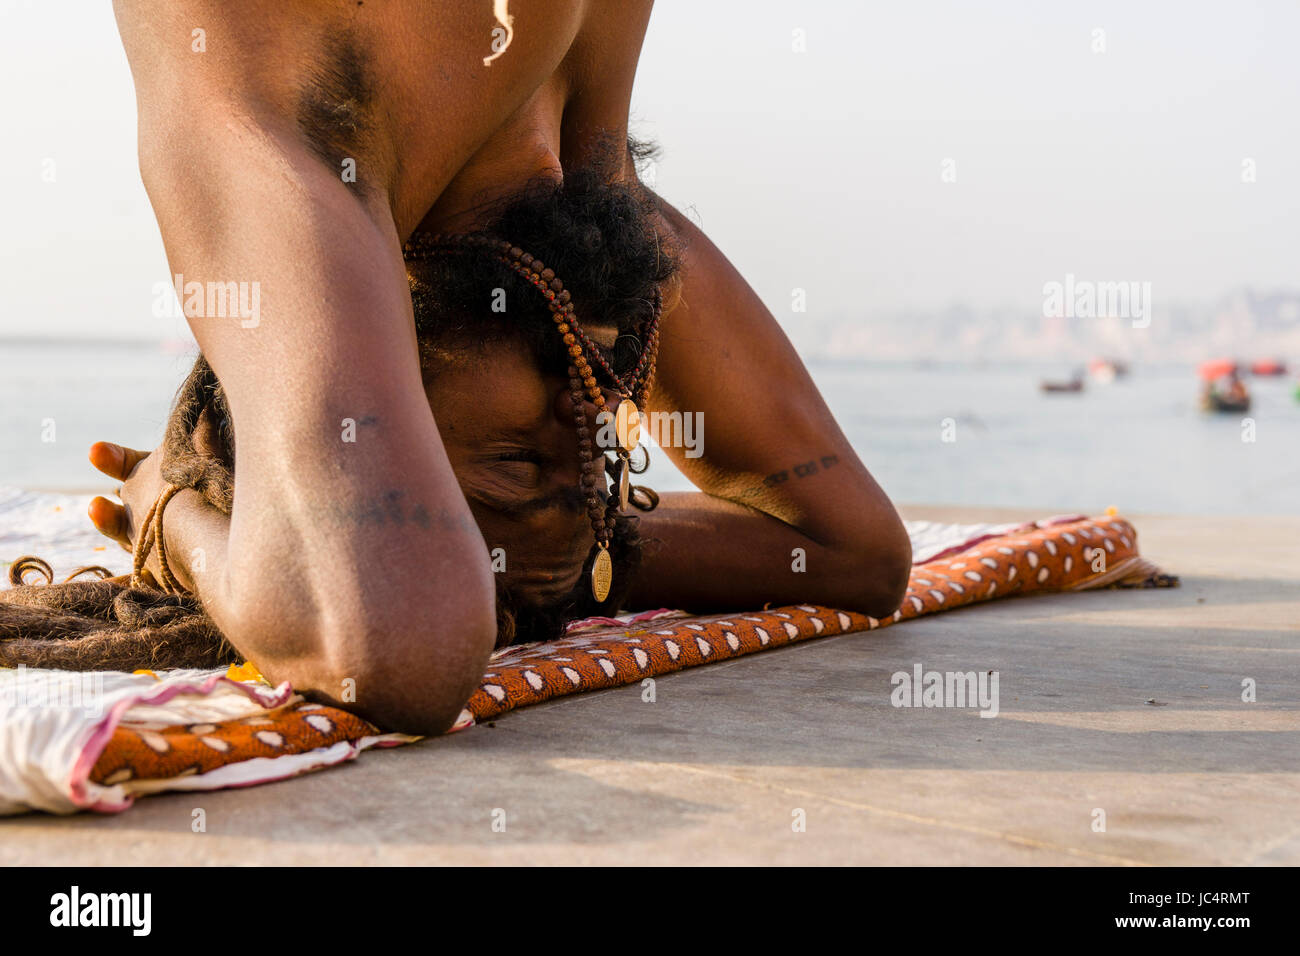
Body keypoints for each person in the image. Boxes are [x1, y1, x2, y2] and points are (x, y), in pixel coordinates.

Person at [1, 1, 911, 735]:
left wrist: (170, 514)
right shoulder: (586, 188)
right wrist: (566, 570)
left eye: (514, 471)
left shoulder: (276, 134)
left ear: (381, 360)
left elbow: (393, 649)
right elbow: (850, 550)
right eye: (592, 476)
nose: (586, 421)